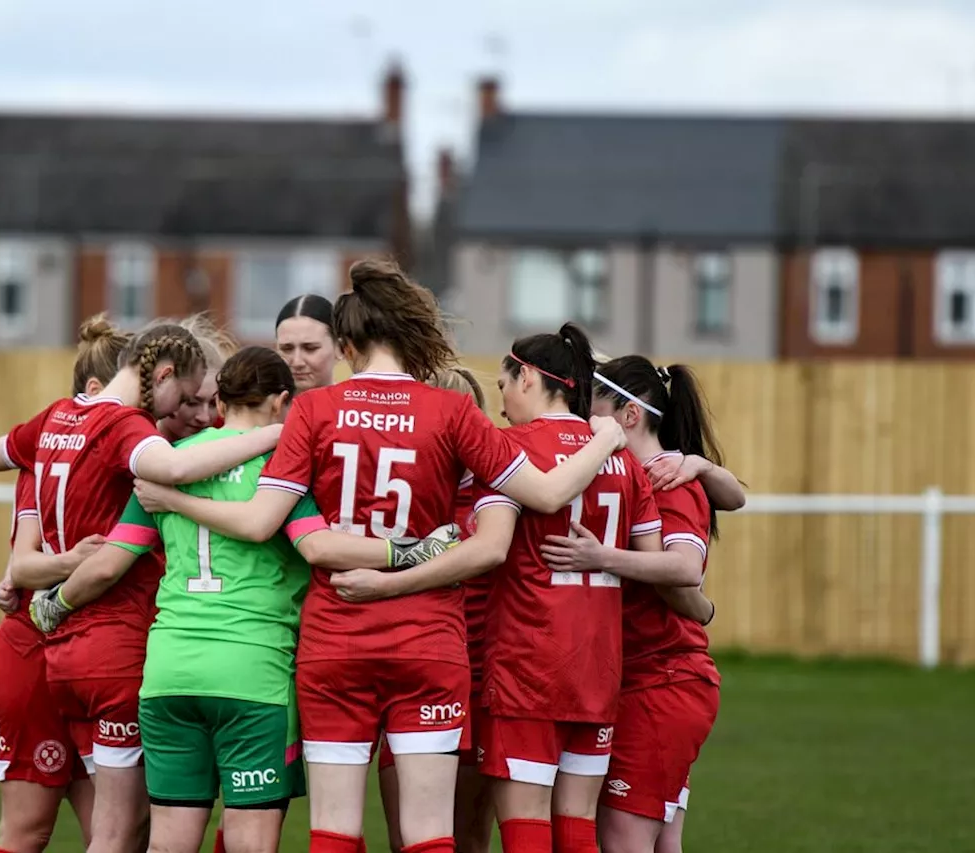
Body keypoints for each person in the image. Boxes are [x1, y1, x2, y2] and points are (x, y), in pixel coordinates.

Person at [127, 259, 627, 853]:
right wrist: (606, 438)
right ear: (407, 332)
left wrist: (175, 501)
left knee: (334, 831)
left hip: (335, 637)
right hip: (427, 641)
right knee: (426, 834)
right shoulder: (453, 412)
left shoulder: (314, 410)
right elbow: (546, 493)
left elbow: (269, 524)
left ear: (346, 344)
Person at [32, 346, 459, 853]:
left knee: (167, 843)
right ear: (281, 403)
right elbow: (319, 547)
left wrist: (52, 603)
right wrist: (411, 550)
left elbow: (105, 565)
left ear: (220, 400)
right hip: (251, 675)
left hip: (169, 672)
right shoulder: (284, 467)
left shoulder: (175, 466)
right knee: (250, 843)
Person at [329, 326, 662, 853]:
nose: (500, 404)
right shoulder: (622, 460)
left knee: (524, 827)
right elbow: (654, 566)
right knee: (577, 828)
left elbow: (489, 549)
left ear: (527, 377)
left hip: (530, 667)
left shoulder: (509, 449)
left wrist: (390, 584)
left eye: (504, 385)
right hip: (599, 668)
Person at [0, 321, 283, 853]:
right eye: (187, 397)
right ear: (162, 374)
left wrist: (49, 577)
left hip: (64, 648)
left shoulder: (56, 418)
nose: (190, 413)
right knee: (115, 833)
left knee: (109, 827)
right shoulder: (128, 431)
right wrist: (282, 432)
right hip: (102, 644)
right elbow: (175, 469)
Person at [540, 357, 742, 853]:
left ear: (630, 416)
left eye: (596, 405)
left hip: (662, 684)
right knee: (659, 841)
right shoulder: (635, 474)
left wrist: (599, 556)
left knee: (622, 839)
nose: (586, 416)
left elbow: (683, 568)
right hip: (650, 683)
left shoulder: (668, 479)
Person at [0, 317, 131, 853]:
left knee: (117, 834)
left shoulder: (124, 454)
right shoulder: (44, 455)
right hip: (33, 652)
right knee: (29, 831)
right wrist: (78, 561)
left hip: (85, 657)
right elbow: (25, 566)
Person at [375, 366, 495, 853]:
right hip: (415, 669)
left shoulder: (496, 491)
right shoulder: (401, 497)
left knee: (461, 839)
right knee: (413, 838)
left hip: (479, 679)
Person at [275, 294, 339, 392]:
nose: (297, 362)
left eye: (310, 348)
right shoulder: (255, 405)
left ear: (340, 349)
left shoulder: (359, 405)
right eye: (287, 349)